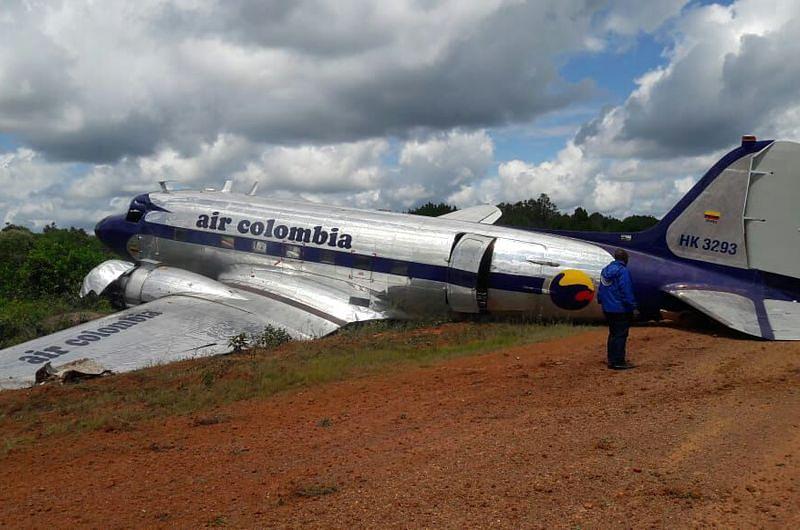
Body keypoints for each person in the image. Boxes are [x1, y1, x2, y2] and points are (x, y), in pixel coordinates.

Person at [598, 248, 637, 370]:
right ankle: (619, 361)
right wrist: (632, 306)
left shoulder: (605, 271)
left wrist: (601, 301)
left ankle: (612, 360)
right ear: (625, 259)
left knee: (613, 334)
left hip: (607, 308)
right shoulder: (622, 271)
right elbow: (626, 290)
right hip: (620, 309)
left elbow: (601, 288)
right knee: (621, 335)